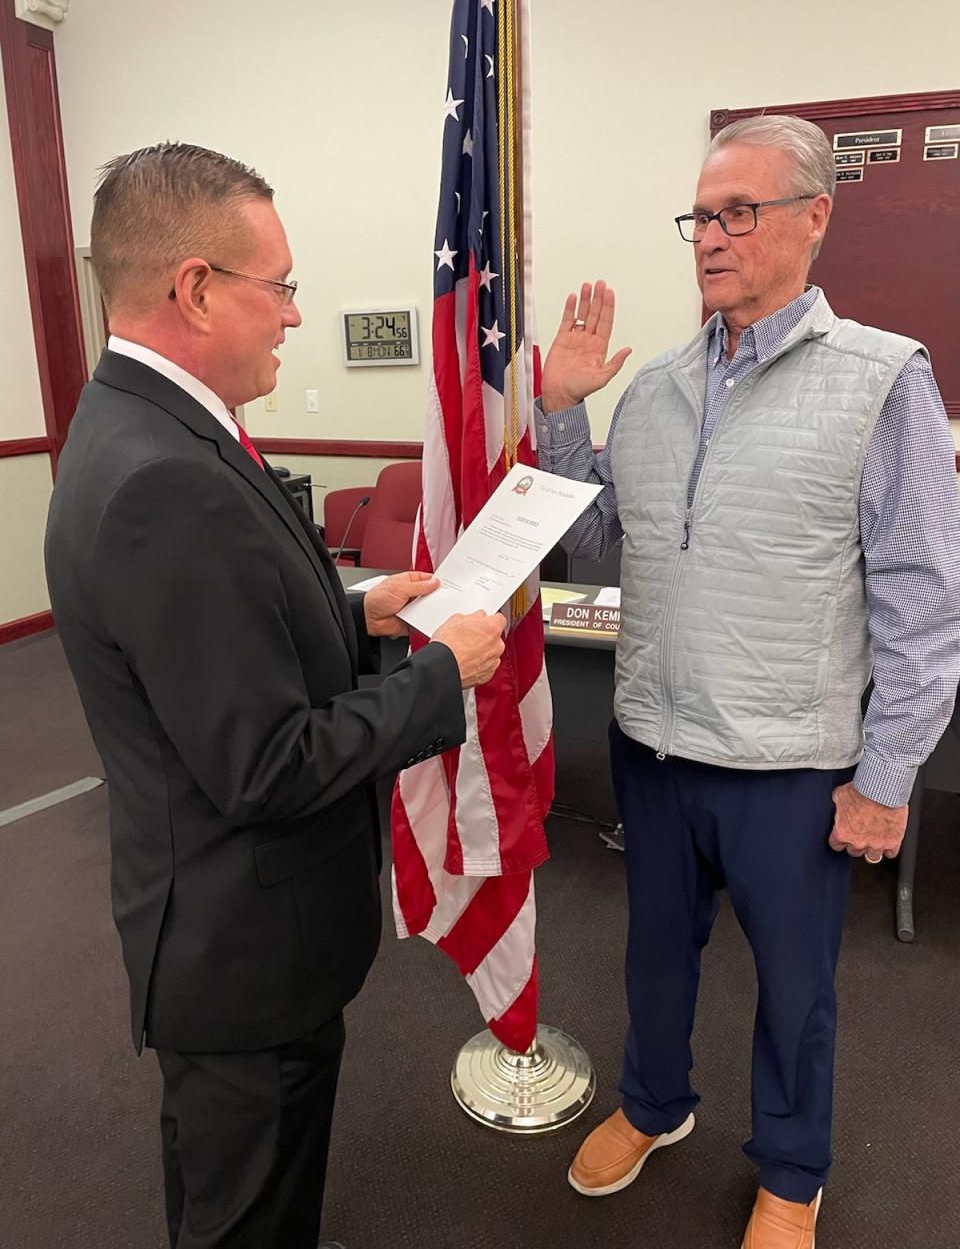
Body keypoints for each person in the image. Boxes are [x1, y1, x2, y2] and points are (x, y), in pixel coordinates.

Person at [44, 142, 506, 1249]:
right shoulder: (167, 476)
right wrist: (444, 672)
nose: (296, 315)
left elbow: (212, 647)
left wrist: (359, 612)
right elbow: (263, 761)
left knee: (242, 1189)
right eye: (282, 286)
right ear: (197, 288)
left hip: (225, 927)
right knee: (244, 1208)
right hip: (242, 949)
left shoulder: (142, 426)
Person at [536, 115, 960, 1247]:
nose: (711, 237)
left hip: (791, 763)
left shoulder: (883, 380)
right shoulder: (659, 388)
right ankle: (654, 1103)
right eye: (701, 215)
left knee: (795, 987)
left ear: (814, 217)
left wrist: (885, 776)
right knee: (654, 953)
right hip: (655, 746)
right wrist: (564, 408)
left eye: (740, 212)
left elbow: (923, 602)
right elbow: (591, 547)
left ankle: (791, 1167)